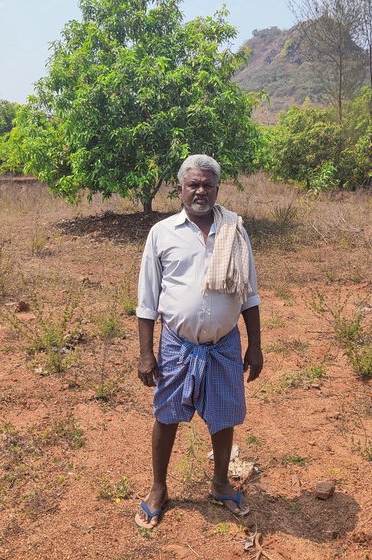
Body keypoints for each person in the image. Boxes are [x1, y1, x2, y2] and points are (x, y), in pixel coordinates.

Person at [134, 154, 263, 529]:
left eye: (207, 184)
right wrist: (146, 352)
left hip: (224, 345)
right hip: (177, 344)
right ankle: (159, 488)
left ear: (218, 188)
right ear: (179, 189)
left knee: (223, 418)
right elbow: (147, 300)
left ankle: (221, 483)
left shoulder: (235, 231)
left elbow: (249, 295)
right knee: (167, 415)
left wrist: (254, 345)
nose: (200, 191)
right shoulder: (162, 233)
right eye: (193, 184)